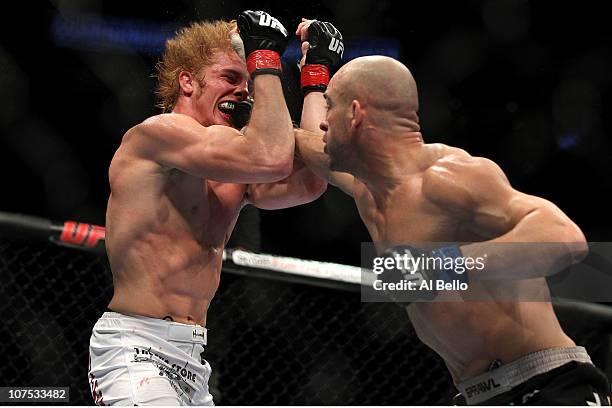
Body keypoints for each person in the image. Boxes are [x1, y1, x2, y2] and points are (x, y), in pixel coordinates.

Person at [294, 55, 612, 405]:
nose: (324, 123)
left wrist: (443, 265)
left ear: (355, 114)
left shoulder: (449, 178)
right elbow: (310, 144)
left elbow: (565, 238)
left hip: (547, 386)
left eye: (331, 107)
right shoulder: (368, 190)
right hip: (476, 395)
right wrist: (314, 74)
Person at [88, 11, 342, 405]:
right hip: (136, 346)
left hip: (193, 359)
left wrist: (315, 79)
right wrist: (264, 60)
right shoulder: (156, 137)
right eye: (230, 77)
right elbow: (271, 157)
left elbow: (312, 180)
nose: (244, 91)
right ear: (187, 81)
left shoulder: (232, 166)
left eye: (247, 80)